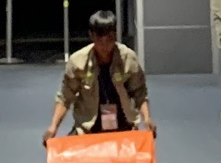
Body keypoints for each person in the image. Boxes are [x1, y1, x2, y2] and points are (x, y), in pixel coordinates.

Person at [45, 10, 154, 146]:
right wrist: (53, 127)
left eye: (109, 38)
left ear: (115, 35)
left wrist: (147, 119)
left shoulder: (128, 58)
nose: (105, 45)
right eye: (99, 39)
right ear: (91, 36)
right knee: (66, 155)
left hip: (124, 126)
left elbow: (140, 93)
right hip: (88, 128)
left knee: (141, 155)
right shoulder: (78, 62)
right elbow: (65, 97)